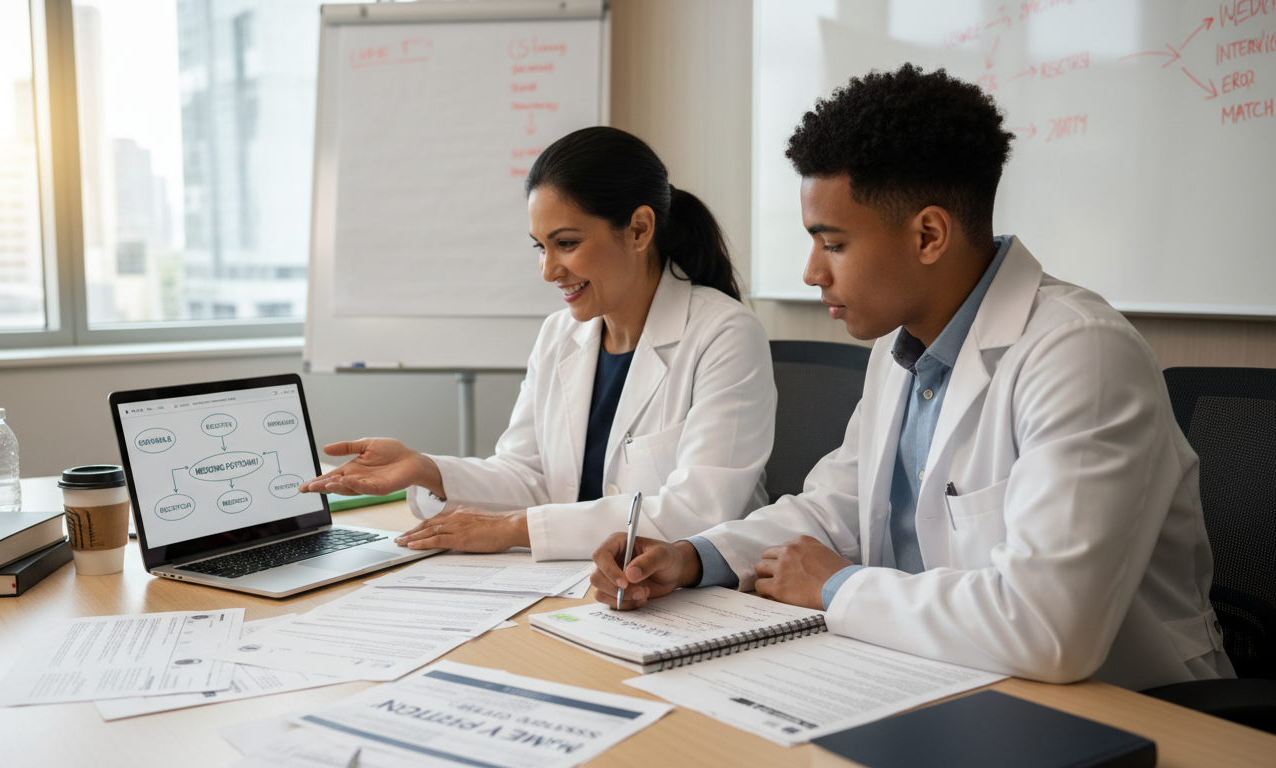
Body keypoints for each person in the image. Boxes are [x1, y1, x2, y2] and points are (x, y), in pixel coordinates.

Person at [588, 64, 1233, 691]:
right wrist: (691, 557)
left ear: (928, 234)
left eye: (833, 243)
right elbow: (834, 510)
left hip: (1125, 710)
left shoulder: (1080, 355)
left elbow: (1048, 626)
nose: (812, 271)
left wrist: (836, 586)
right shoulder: (903, 347)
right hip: (934, 677)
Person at [300, 126, 776, 562]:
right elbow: (529, 476)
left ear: (638, 229)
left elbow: (696, 513)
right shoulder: (559, 335)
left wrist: (516, 528)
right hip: (580, 583)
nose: (549, 270)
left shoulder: (724, 334)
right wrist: (425, 470)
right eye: (540, 247)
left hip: (697, 597)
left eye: (566, 243)